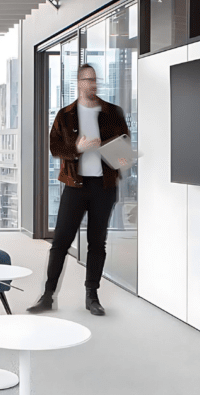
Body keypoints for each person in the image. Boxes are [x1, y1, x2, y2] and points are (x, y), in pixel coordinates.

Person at [29, 63, 128, 317]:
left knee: (97, 243)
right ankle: (48, 296)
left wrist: (122, 158)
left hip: (103, 187)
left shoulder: (113, 113)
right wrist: (79, 149)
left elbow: (125, 144)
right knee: (60, 242)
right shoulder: (65, 114)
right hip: (75, 185)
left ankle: (92, 296)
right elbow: (55, 147)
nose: (93, 84)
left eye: (95, 80)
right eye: (87, 80)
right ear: (78, 83)